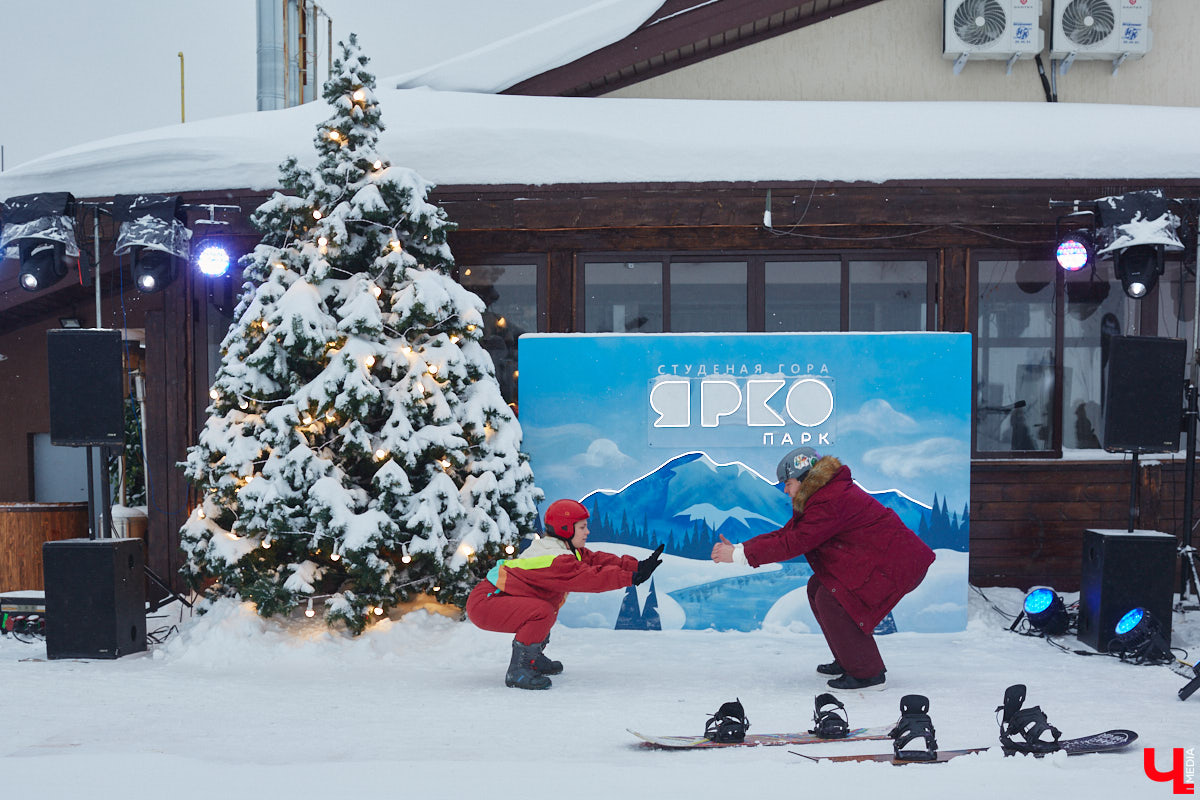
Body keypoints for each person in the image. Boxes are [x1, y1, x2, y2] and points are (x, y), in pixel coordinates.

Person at [711, 447, 934, 691]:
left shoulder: (830, 500)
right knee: (818, 587)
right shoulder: (822, 496)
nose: (785, 490)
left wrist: (738, 556)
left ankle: (867, 675)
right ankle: (849, 658)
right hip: (885, 561)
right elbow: (788, 533)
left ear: (805, 478)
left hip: (898, 566)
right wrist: (742, 549)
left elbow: (794, 542)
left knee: (833, 599)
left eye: (788, 483)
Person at [466, 498, 664, 690]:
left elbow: (595, 561)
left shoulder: (566, 549)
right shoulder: (555, 559)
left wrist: (637, 566)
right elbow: (590, 578)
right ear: (565, 529)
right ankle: (520, 669)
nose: (587, 531)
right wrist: (632, 577)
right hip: (487, 602)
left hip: (497, 598)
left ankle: (532, 659)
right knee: (542, 611)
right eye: (582, 527)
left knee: (548, 606)